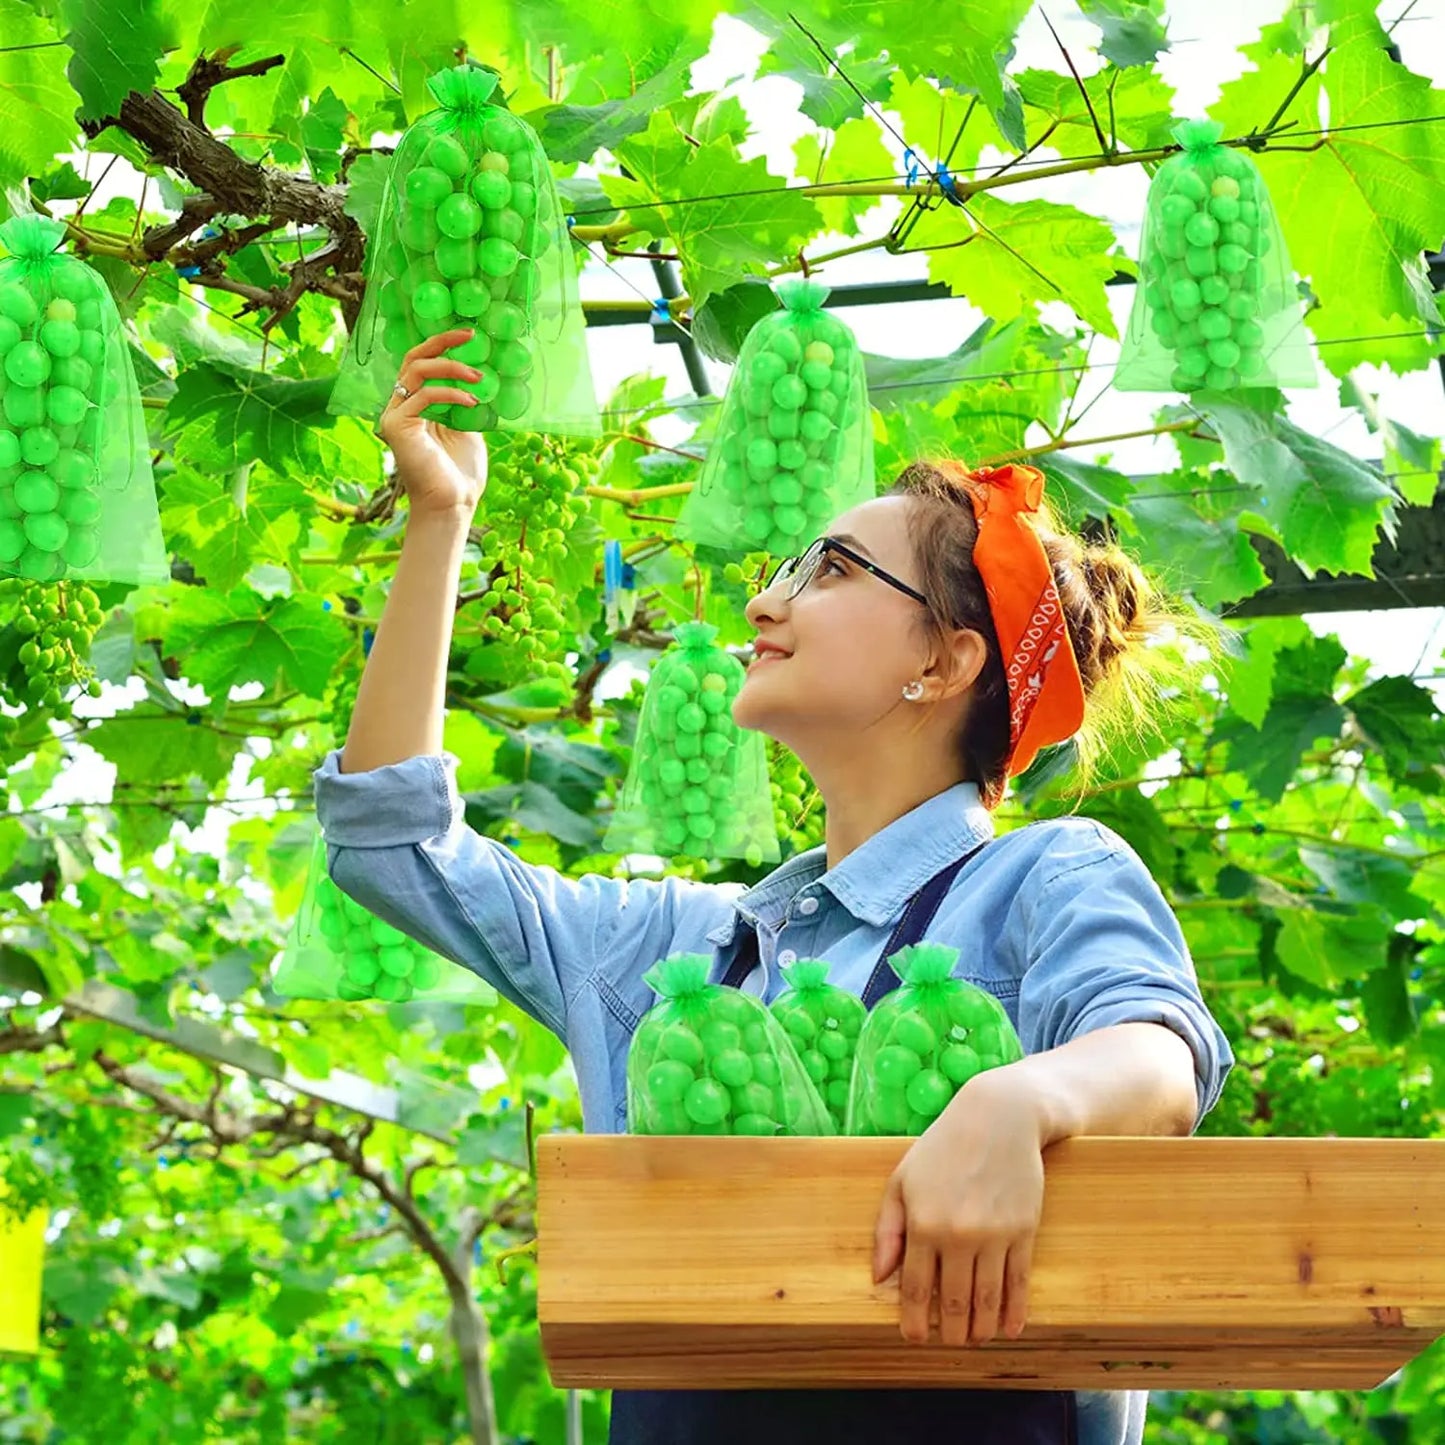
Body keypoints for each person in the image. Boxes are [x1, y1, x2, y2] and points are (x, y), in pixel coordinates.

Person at [314, 332, 1235, 1445]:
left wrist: (1018, 1100)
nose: (764, 600)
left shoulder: (1045, 872)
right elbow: (392, 841)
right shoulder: (678, 949)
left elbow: (1158, 1052)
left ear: (942, 662)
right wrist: (440, 519)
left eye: (829, 571)